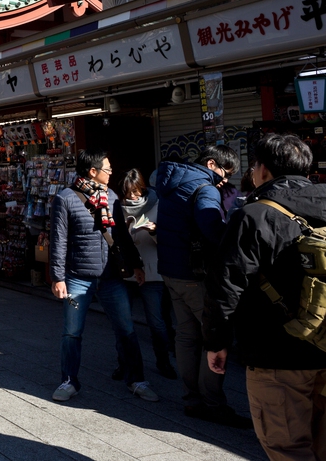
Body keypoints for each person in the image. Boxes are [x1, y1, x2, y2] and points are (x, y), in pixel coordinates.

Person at [205, 134, 326, 459]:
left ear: (263, 171)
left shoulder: (254, 215)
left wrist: (216, 341)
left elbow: (226, 286)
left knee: (288, 448)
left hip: (277, 353)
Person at [49, 149, 157, 403]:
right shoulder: (65, 198)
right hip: (77, 276)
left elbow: (121, 236)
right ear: (93, 171)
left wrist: (136, 264)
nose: (111, 173)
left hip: (111, 275)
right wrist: (57, 277)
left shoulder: (111, 196)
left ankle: (136, 379)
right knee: (72, 332)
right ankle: (69, 381)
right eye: (107, 169)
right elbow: (58, 241)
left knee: (126, 328)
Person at [154, 145, 249, 427]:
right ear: (211, 163)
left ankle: (192, 399)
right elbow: (212, 230)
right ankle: (213, 403)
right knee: (215, 338)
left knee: (185, 335)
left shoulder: (171, 182)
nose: (224, 182)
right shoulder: (205, 188)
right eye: (225, 174)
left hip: (170, 271)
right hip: (196, 276)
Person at [116, 169, 176, 380]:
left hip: (152, 271)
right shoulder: (117, 207)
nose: (132, 197)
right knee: (122, 322)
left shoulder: (157, 204)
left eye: (135, 192)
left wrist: (153, 231)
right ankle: (124, 364)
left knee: (157, 322)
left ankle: (163, 362)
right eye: (127, 193)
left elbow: (168, 241)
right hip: (126, 271)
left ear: (142, 188)